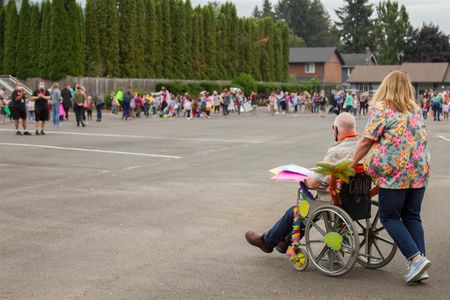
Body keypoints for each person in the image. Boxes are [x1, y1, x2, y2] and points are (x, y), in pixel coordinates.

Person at [351, 71, 431, 284]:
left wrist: (351, 163)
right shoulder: (416, 110)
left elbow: (366, 141)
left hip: (395, 172)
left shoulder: (382, 110)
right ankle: (419, 262)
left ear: (385, 86)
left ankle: (415, 259)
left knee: (390, 217)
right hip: (420, 171)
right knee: (412, 216)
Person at [245, 113, 359, 254]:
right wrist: (317, 170)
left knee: (296, 211)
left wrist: (303, 177)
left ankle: (267, 241)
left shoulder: (336, 151)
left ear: (335, 129)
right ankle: (285, 241)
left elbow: (313, 184)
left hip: (334, 200)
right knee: (308, 212)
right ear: (355, 128)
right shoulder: (362, 148)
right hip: (358, 199)